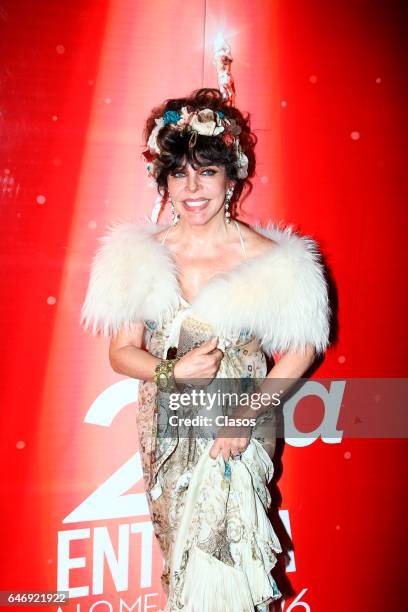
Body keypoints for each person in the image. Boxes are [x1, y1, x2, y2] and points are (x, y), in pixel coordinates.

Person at [81, 88, 330, 611]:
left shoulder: (273, 260)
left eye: (207, 172)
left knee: (234, 557)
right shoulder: (140, 257)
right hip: (167, 431)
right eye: (179, 174)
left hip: (239, 429)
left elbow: (304, 348)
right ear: (163, 180)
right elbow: (122, 351)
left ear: (232, 176)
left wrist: (246, 415)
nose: (192, 188)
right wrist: (172, 372)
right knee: (181, 562)